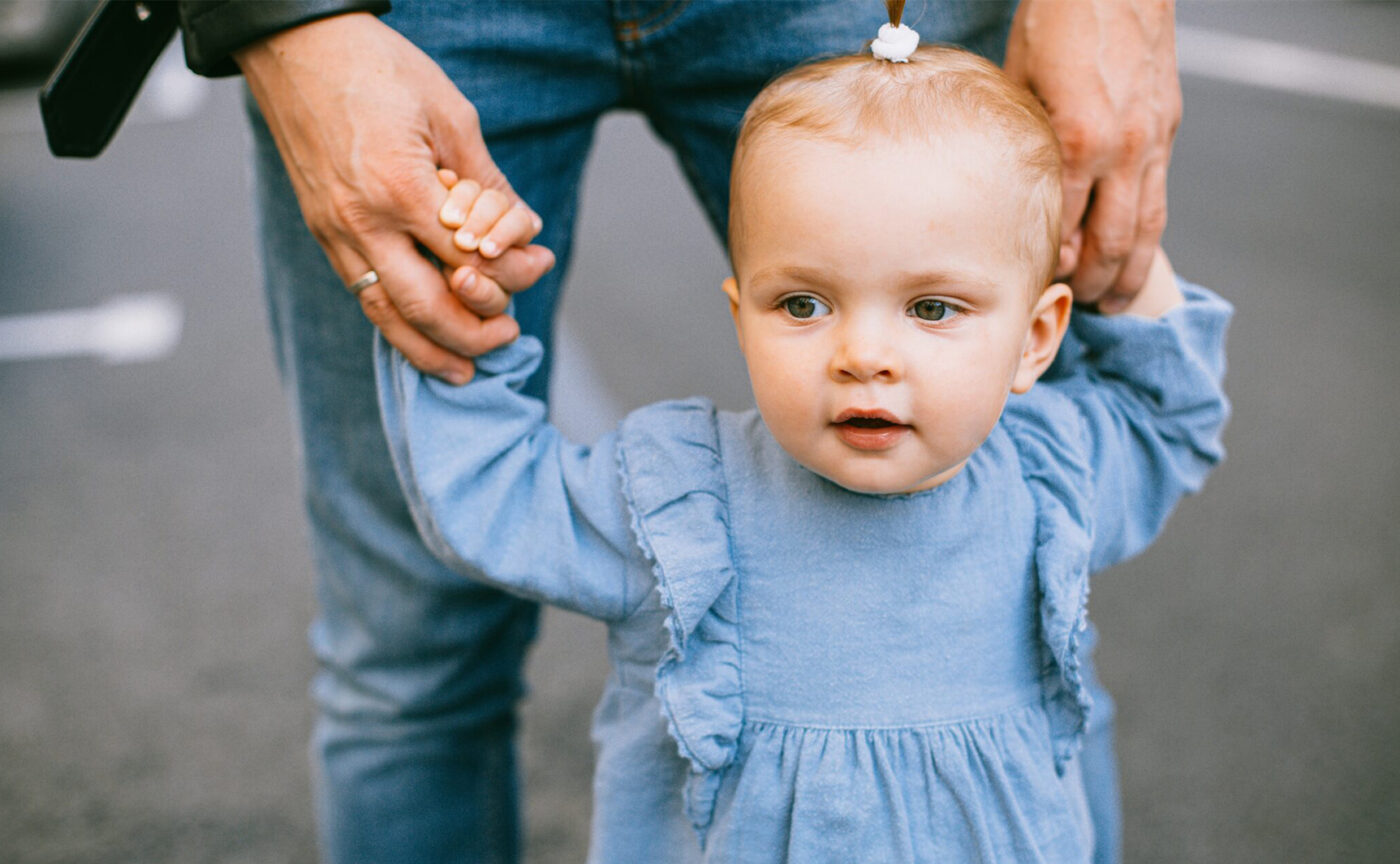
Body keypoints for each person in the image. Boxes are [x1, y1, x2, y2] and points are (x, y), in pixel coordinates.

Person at [167, 1, 1180, 860]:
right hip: (407, 9)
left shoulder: (1047, 475)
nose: (863, 355)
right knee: (409, 661)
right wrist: (462, 313)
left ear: (1037, 333)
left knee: (1049, 646)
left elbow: (1162, 418)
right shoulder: (671, 497)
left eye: (930, 311)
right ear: (736, 311)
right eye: (801, 307)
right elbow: (490, 495)